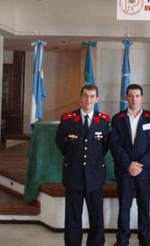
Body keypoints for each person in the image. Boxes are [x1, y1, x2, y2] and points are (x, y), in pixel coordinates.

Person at [55, 84, 110, 246]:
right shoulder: (68, 119)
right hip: (74, 174)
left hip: (95, 175)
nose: (88, 99)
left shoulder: (104, 121)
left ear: (97, 99)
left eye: (92, 96)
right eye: (85, 95)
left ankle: (96, 243)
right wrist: (74, 157)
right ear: (81, 97)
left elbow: (105, 146)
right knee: (73, 215)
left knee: (96, 215)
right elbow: (60, 142)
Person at [110, 84, 150, 246]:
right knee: (124, 206)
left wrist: (140, 165)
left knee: (144, 206)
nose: (134, 99)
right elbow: (114, 145)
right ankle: (122, 240)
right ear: (126, 98)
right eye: (131, 96)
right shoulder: (118, 119)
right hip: (125, 171)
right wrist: (128, 165)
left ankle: (145, 239)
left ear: (142, 98)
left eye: (137, 96)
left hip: (144, 172)